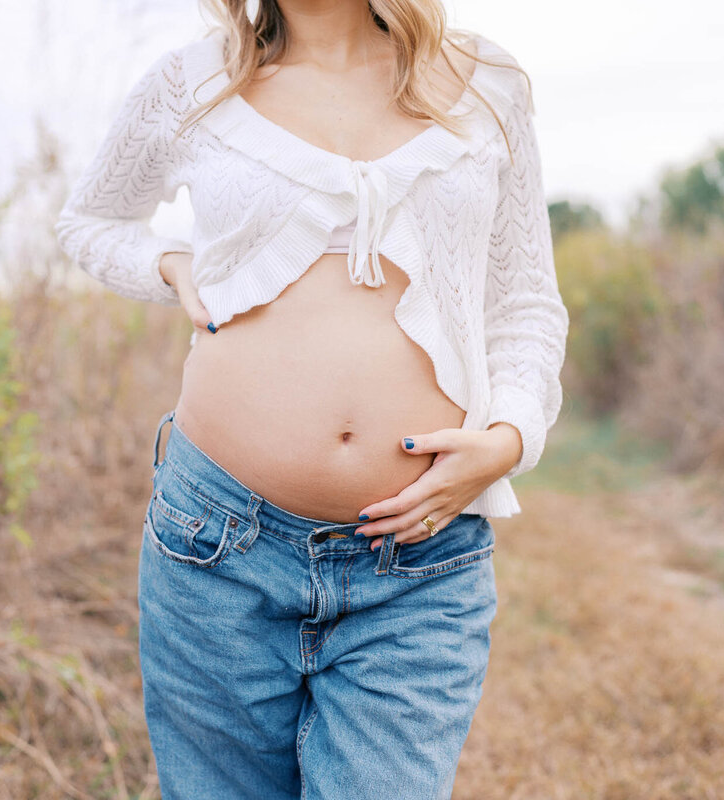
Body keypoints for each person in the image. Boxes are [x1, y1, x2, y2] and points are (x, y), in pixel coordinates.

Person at [53, 1, 569, 797]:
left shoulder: (483, 84)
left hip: (419, 563)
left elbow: (526, 299)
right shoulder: (195, 85)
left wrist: (509, 439)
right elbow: (90, 221)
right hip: (216, 544)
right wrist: (169, 261)